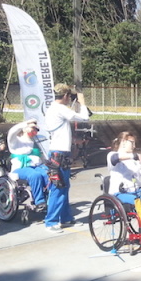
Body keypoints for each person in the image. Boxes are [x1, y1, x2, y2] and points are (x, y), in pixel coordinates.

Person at [44, 83, 90, 233]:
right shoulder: (60, 109)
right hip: (60, 153)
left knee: (64, 187)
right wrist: (82, 103)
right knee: (58, 188)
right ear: (65, 96)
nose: (70, 99)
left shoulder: (52, 109)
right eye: (69, 96)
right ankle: (51, 222)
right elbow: (84, 117)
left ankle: (65, 218)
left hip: (59, 152)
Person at [7, 119, 50, 212]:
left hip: (36, 166)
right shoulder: (15, 141)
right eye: (33, 128)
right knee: (34, 175)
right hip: (21, 168)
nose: (35, 131)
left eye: (36, 129)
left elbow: (42, 157)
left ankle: (51, 200)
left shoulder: (34, 142)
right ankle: (40, 202)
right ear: (25, 128)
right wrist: (27, 123)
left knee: (49, 174)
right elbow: (11, 132)